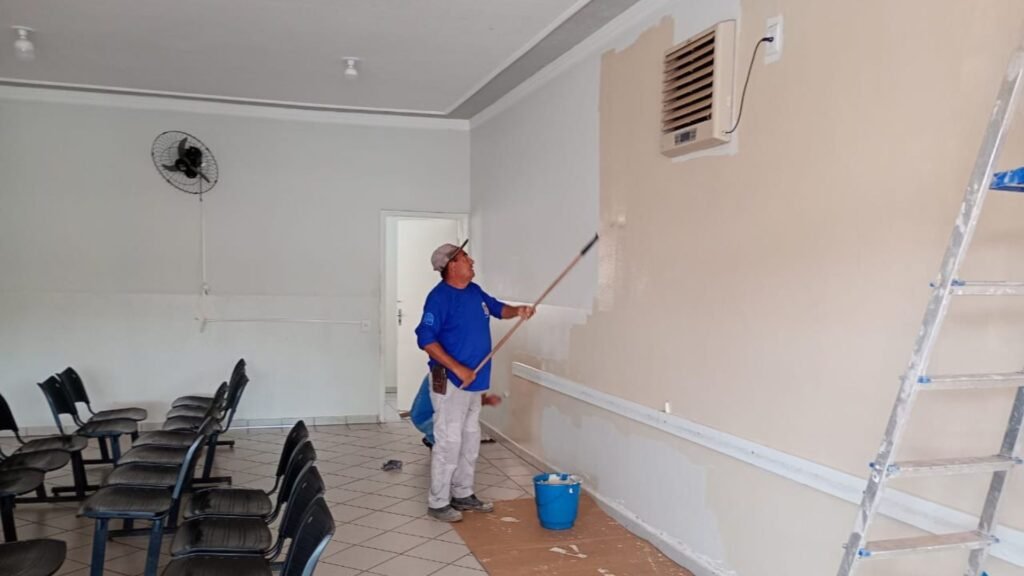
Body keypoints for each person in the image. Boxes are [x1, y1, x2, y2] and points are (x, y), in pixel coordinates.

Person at [414, 240, 533, 523]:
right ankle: (438, 501)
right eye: (465, 257)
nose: (471, 262)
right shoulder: (439, 298)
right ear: (451, 265)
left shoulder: (474, 291)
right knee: (449, 440)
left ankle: (463, 493)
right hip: (450, 381)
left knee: (469, 438)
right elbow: (425, 339)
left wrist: (518, 310)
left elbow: (497, 308)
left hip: (475, 382)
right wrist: (458, 368)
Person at [409, 376, 501, 449]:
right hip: (425, 419)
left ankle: (433, 439)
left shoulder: (469, 376)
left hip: (426, 417)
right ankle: (435, 439)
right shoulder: (445, 375)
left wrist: (486, 400)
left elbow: (471, 400)